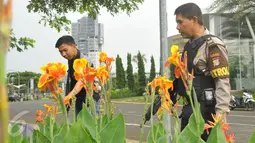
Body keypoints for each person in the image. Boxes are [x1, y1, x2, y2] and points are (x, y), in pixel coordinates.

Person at [173, 3, 231, 141]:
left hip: (207, 116)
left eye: (180, 22)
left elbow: (222, 82)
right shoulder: (189, 46)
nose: (177, 27)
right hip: (190, 113)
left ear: (194, 19)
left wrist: (220, 118)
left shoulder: (212, 45)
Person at [55, 35, 88, 117]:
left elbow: (82, 81)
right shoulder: (71, 60)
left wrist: (69, 96)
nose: (63, 54)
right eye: (60, 52)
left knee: (89, 126)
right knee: (78, 125)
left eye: (65, 50)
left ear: (73, 46)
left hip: (89, 99)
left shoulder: (84, 60)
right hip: (79, 99)